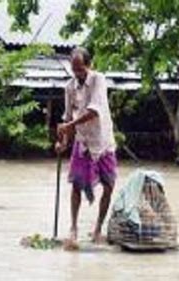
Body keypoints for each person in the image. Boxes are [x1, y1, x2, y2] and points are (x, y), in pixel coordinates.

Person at [56, 47, 117, 247]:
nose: (78, 74)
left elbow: (94, 111)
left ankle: (98, 229)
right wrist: (63, 141)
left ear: (89, 66)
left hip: (103, 139)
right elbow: (67, 117)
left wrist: (69, 126)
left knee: (109, 185)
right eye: (74, 70)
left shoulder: (98, 79)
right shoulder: (69, 87)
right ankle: (73, 228)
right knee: (76, 185)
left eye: (80, 69)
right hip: (83, 141)